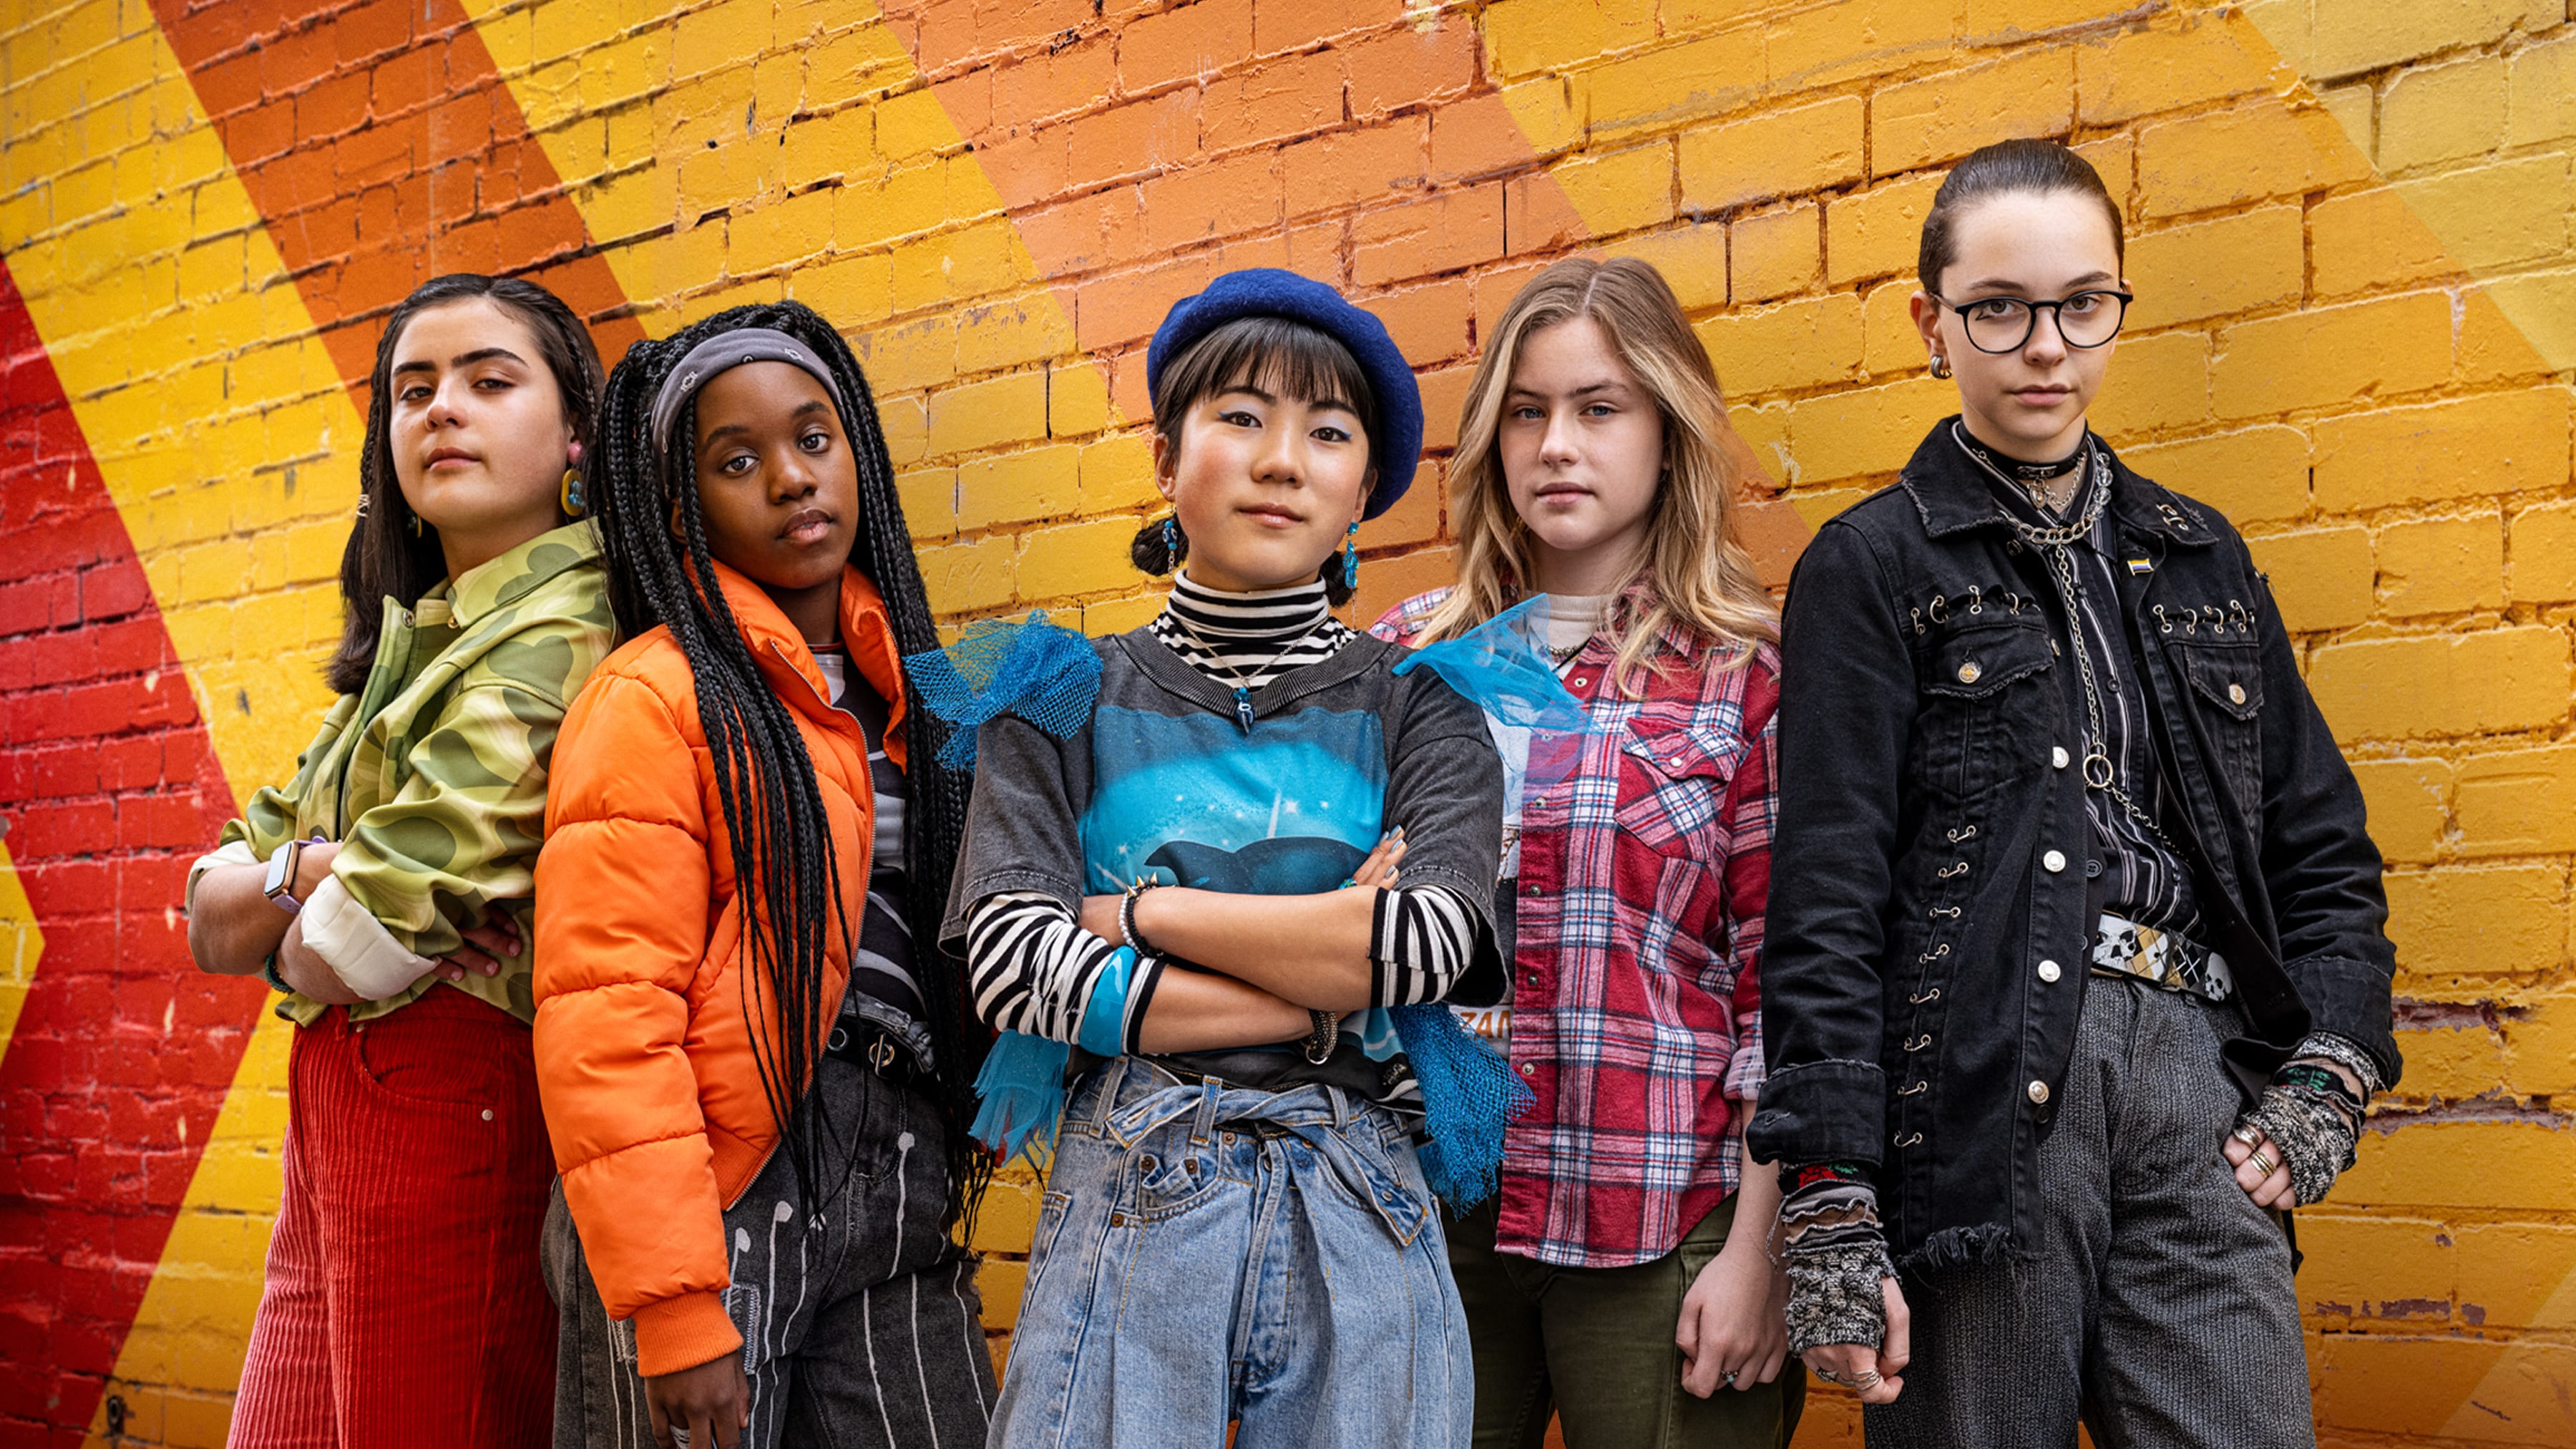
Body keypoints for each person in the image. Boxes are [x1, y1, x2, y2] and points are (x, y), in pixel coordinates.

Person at [1750, 138, 2401, 1448]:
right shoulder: (1870, 567)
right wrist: (1831, 1191)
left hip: (2199, 1078)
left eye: (2082, 303)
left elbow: (2322, 851)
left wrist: (2332, 1066)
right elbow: (1826, 899)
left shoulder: (2201, 554)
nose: (2046, 346)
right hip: (1977, 1093)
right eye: (2000, 307)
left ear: (2116, 306)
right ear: (1932, 323)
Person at [922, 268, 1507, 1448]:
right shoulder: (1058, 697)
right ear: (1165, 454)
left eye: (1328, 432)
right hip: (1132, 1181)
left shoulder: (1423, 710)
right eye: (1241, 416)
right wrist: (1323, 985)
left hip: (1365, 1197)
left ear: (1362, 494)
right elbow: (1013, 965)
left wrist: (1136, 917)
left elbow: (1432, 941)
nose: (1282, 458)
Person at [531, 302, 997, 1449]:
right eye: (738, 461)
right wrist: (677, 1305)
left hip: (899, 1166)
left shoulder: (918, 698)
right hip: (718, 1184)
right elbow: (608, 1015)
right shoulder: (651, 697)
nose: (791, 479)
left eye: (814, 439)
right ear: (680, 508)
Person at [1371, 256, 1800, 1448]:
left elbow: (1788, 991)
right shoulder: (1401, 662)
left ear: (1667, 430)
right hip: (1423, 1212)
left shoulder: (1744, 675)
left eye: (1599, 407)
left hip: (1659, 1214)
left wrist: (1761, 1250)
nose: (1558, 443)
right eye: (1528, 410)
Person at [184, 273, 614, 1445]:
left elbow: (364, 944)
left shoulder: (569, 626)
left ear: (575, 430)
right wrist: (306, 877)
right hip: (343, 1110)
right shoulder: (415, 637)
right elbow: (206, 904)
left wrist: (297, 890)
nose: (441, 410)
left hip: (449, 1103)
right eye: (412, 389)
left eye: (489, 380)